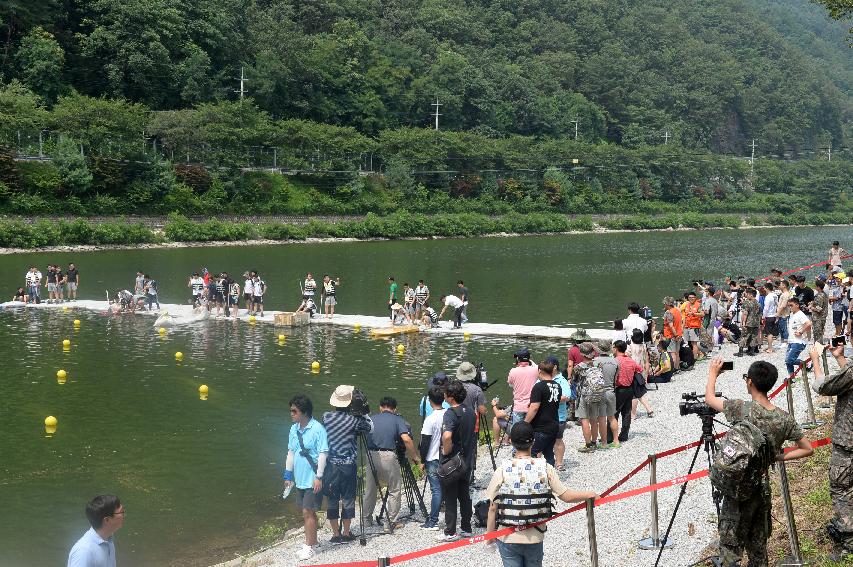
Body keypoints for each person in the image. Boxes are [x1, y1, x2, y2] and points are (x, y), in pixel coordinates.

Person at [703, 359, 814, 566]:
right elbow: (807, 449)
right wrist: (778, 456)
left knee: (729, 550)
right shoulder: (784, 419)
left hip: (737, 490)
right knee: (758, 549)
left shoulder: (740, 408)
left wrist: (713, 374)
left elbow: (710, 399)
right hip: (761, 490)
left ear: (750, 382)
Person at [484, 421, 598, 567]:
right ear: (533, 441)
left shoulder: (502, 469)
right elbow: (566, 496)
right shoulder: (545, 467)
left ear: (511, 441)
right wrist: (589, 495)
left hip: (507, 537)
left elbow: (493, 508)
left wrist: (490, 537)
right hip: (535, 536)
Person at [808, 343, 853, 560]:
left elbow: (822, 387)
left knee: (841, 490)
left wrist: (815, 358)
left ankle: (849, 543)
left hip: (848, 445)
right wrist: (840, 359)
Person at [322, 385, 373, 544]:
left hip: (330, 466)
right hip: (348, 466)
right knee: (348, 498)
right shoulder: (354, 421)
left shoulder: (326, 417)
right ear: (350, 403)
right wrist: (364, 412)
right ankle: (346, 532)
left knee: (332, 498)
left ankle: (335, 534)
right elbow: (370, 428)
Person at [363, 397, 420, 533]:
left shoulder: (371, 419)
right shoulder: (397, 419)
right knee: (394, 489)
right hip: (388, 455)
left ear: (380, 407)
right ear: (395, 409)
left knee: (370, 489)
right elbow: (406, 439)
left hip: (370, 455)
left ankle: (366, 520)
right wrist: (415, 457)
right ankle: (389, 523)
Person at [283, 394, 328, 561]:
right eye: (291, 410)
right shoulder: (293, 429)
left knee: (307, 511)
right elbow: (291, 452)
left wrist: (319, 477)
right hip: (299, 478)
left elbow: (323, 454)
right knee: (308, 511)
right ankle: (314, 542)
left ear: (304, 412)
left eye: (294, 411)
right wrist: (288, 474)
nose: (291, 413)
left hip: (312, 478)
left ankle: (309, 547)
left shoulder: (318, 429)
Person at [437, 380, 476, 542]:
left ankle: (450, 532)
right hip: (467, 460)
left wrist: (445, 450)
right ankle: (466, 528)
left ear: (451, 397)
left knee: (450, 496)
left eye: (446, 393)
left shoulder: (450, 413)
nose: (444, 396)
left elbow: (447, 436)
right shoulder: (470, 412)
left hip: (452, 460)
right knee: (464, 495)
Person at [573, 342, 619, 452]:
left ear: (582, 354)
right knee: (596, 419)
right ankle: (596, 442)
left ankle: (589, 445)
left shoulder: (579, 367)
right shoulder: (598, 364)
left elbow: (575, 380)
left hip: (584, 396)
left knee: (585, 420)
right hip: (599, 393)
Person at [67, 494, 125, 567]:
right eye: (122, 512)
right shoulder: (84, 552)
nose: (124, 515)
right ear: (107, 520)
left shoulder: (108, 539)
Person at [524, 360, 562, 466]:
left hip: (541, 427)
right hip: (554, 425)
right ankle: (550, 477)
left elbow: (534, 408)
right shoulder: (557, 386)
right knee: (548, 453)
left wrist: (526, 422)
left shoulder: (539, 386)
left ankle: (534, 478)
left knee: (532, 453)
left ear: (540, 371)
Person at [419, 386, 447, 530]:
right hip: (447, 457)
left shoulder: (430, 419)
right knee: (447, 488)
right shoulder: (449, 414)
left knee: (436, 490)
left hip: (433, 458)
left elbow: (425, 442)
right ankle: (449, 518)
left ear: (430, 401)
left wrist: (422, 460)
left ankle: (433, 521)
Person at [613, 340, 643, 443]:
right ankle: (624, 435)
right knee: (626, 413)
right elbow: (640, 369)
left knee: (614, 414)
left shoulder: (615, 361)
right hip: (629, 389)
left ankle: (611, 436)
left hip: (618, 389)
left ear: (616, 349)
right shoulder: (630, 360)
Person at [546, 355, 571, 471]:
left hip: (558, 416)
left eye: (548, 364)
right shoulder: (543, 378)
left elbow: (566, 396)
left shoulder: (562, 380)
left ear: (555, 367)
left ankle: (559, 463)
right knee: (542, 439)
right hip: (544, 415)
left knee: (558, 439)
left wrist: (549, 398)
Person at [507, 348, 539, 431]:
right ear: (529, 358)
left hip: (518, 407)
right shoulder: (535, 370)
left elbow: (510, 384)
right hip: (531, 406)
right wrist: (531, 361)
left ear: (518, 359)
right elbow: (537, 367)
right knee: (531, 431)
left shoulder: (513, 371)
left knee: (518, 432)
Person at [628, 329, 654, 418]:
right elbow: (647, 361)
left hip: (633, 372)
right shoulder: (643, 346)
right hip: (641, 372)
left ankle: (633, 414)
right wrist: (646, 374)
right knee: (640, 393)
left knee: (634, 395)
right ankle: (649, 409)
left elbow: (627, 360)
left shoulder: (630, 347)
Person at [785, 297, 812, 375]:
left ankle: (807, 364)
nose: (790, 307)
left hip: (799, 341)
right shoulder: (791, 314)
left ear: (797, 305)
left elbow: (808, 324)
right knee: (788, 361)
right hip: (791, 341)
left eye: (791, 305)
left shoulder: (800, 314)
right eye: (788, 306)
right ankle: (791, 378)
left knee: (789, 360)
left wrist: (801, 331)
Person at [736, 287, 760, 357]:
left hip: (748, 322)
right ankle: (752, 351)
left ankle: (740, 352)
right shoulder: (757, 303)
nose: (746, 295)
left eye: (747, 294)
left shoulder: (747, 302)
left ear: (751, 295)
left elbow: (745, 313)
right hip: (756, 322)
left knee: (744, 336)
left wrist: (743, 322)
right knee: (753, 336)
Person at [662, 297, 683, 369]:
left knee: (672, 353)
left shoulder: (669, 312)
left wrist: (676, 335)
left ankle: (672, 369)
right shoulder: (677, 310)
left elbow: (671, 326)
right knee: (677, 352)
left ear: (667, 304)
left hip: (672, 335)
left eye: (664, 304)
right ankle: (677, 367)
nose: (664, 305)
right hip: (679, 334)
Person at [683, 291, 705, 359]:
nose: (691, 299)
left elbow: (702, 314)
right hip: (687, 326)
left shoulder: (698, 304)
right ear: (688, 298)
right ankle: (692, 355)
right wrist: (682, 326)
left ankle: (695, 358)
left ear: (695, 298)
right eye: (690, 297)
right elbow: (685, 316)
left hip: (694, 327)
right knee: (688, 343)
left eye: (693, 297)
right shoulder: (687, 305)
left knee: (694, 343)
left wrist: (694, 314)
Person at [811, 278, 829, 344]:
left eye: (815, 286)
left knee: (818, 337)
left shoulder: (819, 296)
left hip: (818, 318)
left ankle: (819, 353)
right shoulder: (824, 294)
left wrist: (811, 307)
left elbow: (819, 309)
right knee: (819, 336)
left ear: (818, 287)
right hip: (821, 318)